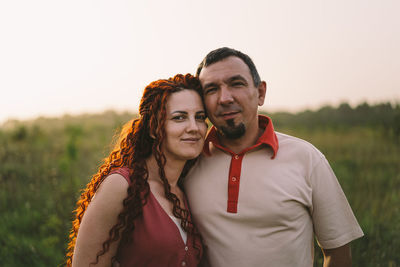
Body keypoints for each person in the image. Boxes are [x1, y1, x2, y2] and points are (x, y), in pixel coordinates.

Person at [183, 47, 364, 267]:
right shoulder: (189, 161)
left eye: (236, 84)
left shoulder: (307, 159)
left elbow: (338, 254)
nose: (224, 98)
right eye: (211, 89)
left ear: (260, 93)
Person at [66, 73, 207, 267]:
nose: (194, 127)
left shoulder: (188, 189)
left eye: (200, 117)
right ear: (152, 127)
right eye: (179, 117)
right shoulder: (122, 185)